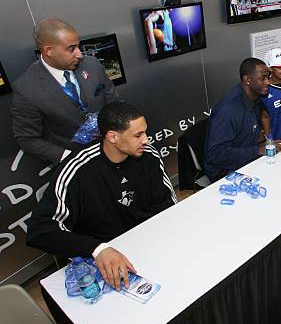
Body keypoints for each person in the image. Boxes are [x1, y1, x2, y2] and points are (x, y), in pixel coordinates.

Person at [27, 101, 177, 291]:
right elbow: (40, 230)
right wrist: (97, 249)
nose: (146, 140)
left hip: (151, 245)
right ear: (112, 137)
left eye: (145, 132)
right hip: (105, 258)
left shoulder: (149, 155)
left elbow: (168, 204)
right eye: (138, 135)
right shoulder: (77, 169)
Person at [11, 18, 119, 165]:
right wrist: (70, 158)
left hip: (113, 148)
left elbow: (114, 102)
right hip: (75, 163)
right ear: (49, 50)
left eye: (78, 46)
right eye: (71, 49)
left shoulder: (92, 65)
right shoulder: (26, 89)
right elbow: (28, 139)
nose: (79, 54)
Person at [205, 58, 281, 182]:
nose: (268, 82)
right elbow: (215, 154)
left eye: (268, 77)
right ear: (247, 80)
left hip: (246, 159)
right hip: (224, 173)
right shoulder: (228, 110)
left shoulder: (254, 98)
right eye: (263, 78)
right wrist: (258, 151)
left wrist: (264, 145)